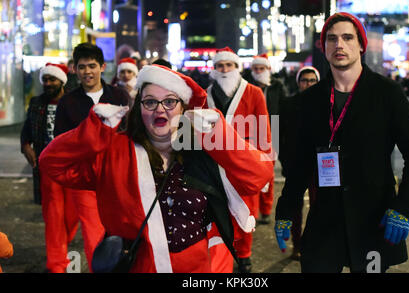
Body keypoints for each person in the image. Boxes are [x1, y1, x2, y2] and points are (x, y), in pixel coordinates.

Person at [39, 65, 274, 273]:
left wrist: (219, 136)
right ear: (139, 107)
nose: (160, 109)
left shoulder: (201, 151)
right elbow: (52, 163)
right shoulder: (115, 151)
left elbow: (259, 176)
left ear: (183, 108)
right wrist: (94, 130)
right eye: (150, 101)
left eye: (170, 101)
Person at [274, 12, 409, 273]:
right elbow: (299, 163)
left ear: (360, 44)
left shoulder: (386, 93)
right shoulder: (308, 101)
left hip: (373, 219)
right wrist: (286, 210)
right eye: (331, 39)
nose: (339, 45)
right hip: (324, 221)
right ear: (323, 48)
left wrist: (404, 207)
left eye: (347, 37)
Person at [51, 42, 129, 272]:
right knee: (93, 230)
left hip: (117, 174)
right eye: (82, 67)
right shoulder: (68, 102)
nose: (87, 72)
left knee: (122, 228)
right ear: (74, 69)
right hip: (85, 177)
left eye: (92, 66)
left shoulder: (119, 95)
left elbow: (130, 132)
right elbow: (61, 140)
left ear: (102, 67)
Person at [207, 47, 274, 273]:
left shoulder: (253, 92)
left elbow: (264, 131)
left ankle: (244, 254)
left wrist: (265, 166)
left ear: (237, 67)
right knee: (217, 211)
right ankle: (223, 252)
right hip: (214, 163)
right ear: (214, 69)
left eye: (229, 65)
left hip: (245, 162)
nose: (224, 70)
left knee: (246, 209)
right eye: (220, 66)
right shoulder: (205, 95)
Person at [278, 65, 320, 261]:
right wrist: (285, 161)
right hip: (295, 164)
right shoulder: (287, 104)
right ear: (298, 82)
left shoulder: (326, 103)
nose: (308, 84)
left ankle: (315, 243)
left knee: (318, 206)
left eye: (312, 80)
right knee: (294, 207)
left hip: (320, 166)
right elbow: (278, 136)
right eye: (305, 80)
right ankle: (297, 244)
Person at [245, 53, 287, 225]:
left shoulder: (277, 86)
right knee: (252, 174)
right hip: (252, 135)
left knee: (268, 175)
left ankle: (266, 210)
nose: (258, 71)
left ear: (268, 69)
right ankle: (252, 211)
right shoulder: (246, 87)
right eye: (255, 68)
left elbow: (284, 108)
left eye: (261, 68)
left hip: (273, 131)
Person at [21, 63, 68, 205]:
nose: (48, 83)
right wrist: (25, 146)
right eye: (45, 80)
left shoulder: (72, 102)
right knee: (50, 203)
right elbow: (27, 128)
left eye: (52, 79)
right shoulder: (36, 102)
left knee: (69, 203)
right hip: (45, 160)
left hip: (68, 161)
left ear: (61, 81)